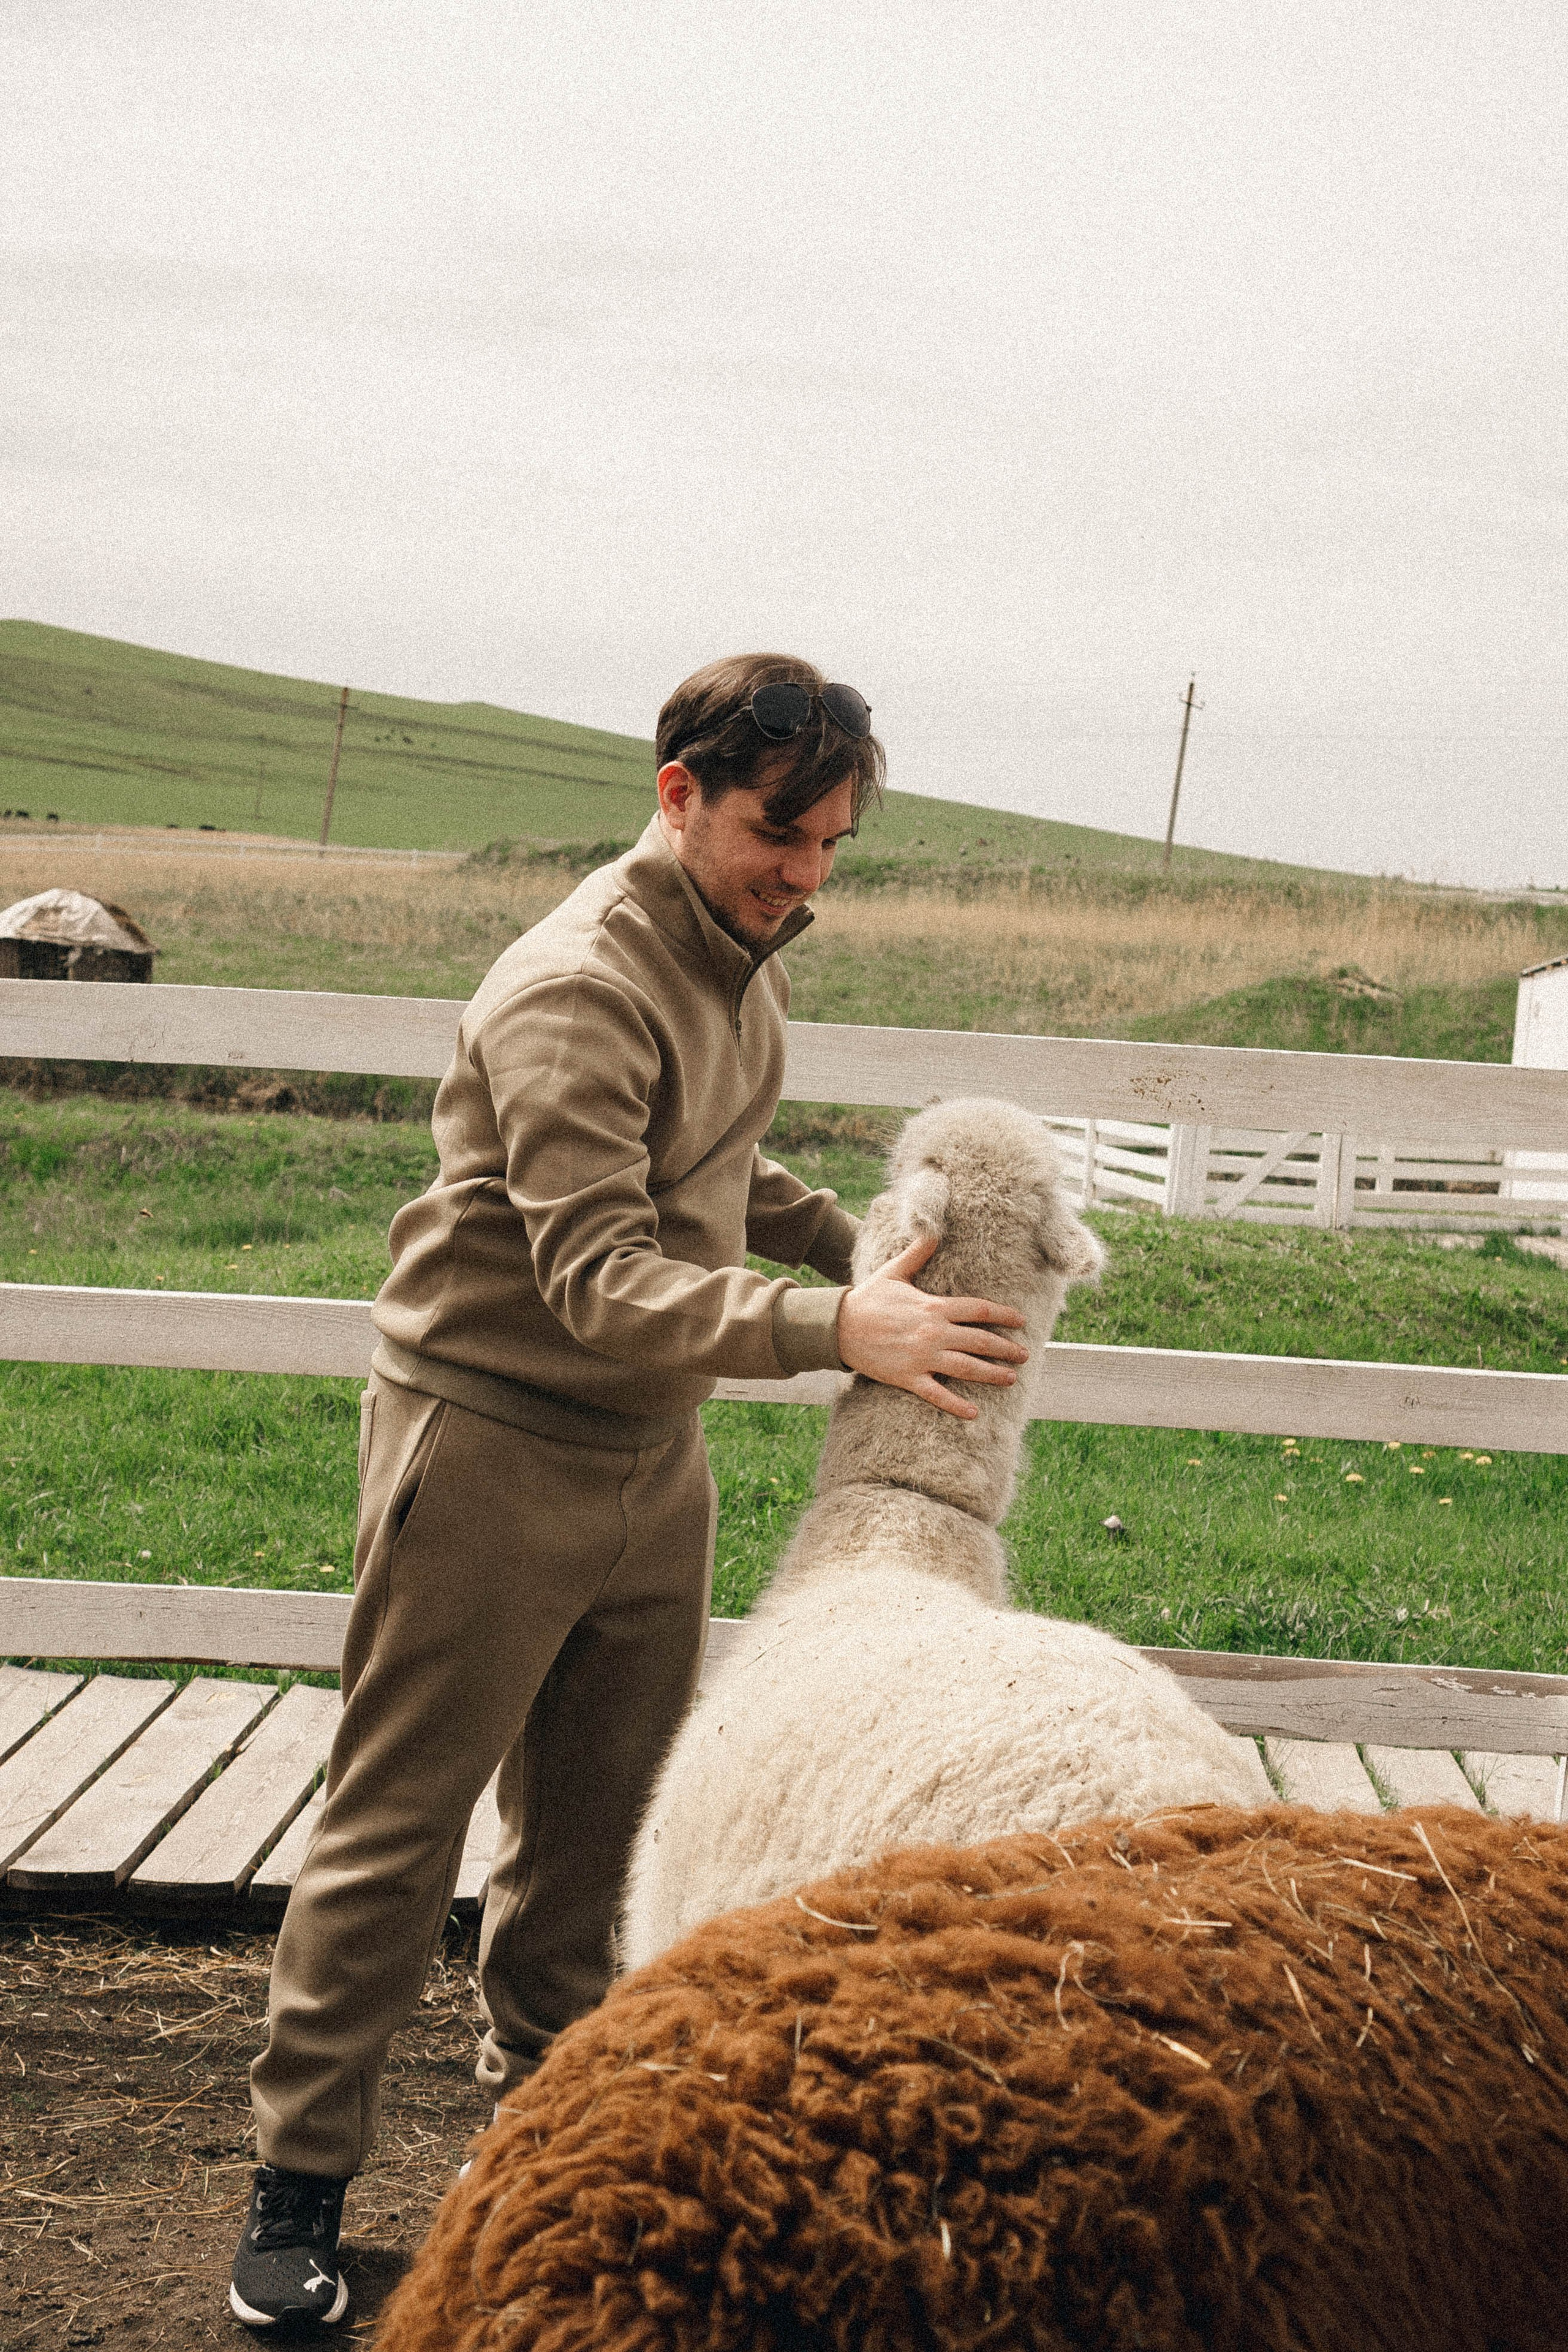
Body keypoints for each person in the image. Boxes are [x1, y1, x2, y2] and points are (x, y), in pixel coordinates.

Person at [229, 653, 1029, 2328]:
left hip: (649, 1461)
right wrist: (839, 1325)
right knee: (395, 1830)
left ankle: (550, 2133)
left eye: (830, 844)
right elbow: (595, 1269)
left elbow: (717, 1167)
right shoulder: (574, 988)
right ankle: (295, 2187)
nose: (806, 873)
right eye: (778, 834)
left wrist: (845, 1237)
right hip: (495, 1446)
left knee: (600, 1838)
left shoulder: (743, 956)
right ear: (680, 793)